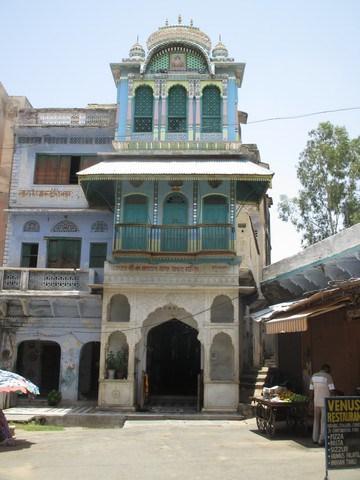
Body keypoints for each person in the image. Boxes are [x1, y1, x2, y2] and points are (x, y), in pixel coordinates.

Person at [309, 364, 335, 446]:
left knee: (316, 420)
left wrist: (311, 401)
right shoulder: (328, 377)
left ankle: (314, 438)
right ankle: (321, 439)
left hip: (316, 402)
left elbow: (311, 390)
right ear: (327, 369)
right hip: (325, 402)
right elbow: (332, 390)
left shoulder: (313, 376)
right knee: (323, 421)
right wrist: (333, 398)